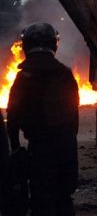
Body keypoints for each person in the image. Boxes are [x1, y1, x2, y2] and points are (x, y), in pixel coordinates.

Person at [7, 23, 79, 216]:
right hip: (66, 147)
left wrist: (15, 148)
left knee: (41, 201)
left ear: (26, 45)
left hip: (40, 148)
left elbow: (12, 117)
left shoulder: (23, 78)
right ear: (54, 44)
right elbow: (74, 116)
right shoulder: (65, 74)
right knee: (64, 199)